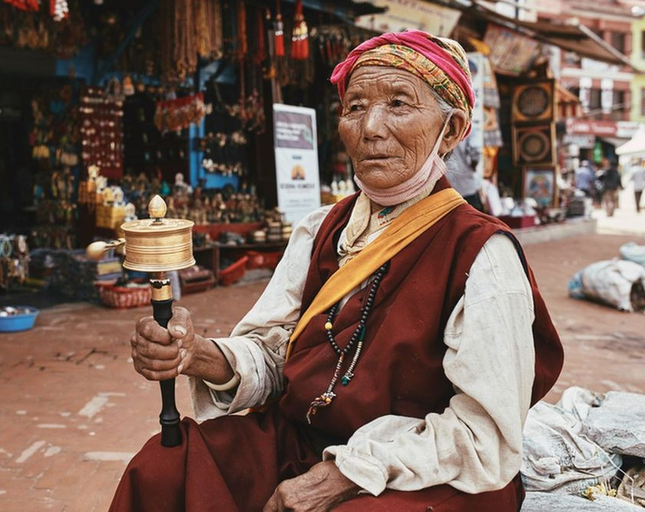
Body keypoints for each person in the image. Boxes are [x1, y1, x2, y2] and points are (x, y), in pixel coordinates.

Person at [110, 30, 563, 512]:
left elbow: (482, 436)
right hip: (308, 440)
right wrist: (199, 356)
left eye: (398, 104)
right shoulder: (323, 229)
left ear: (450, 131)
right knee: (162, 469)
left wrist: (348, 472)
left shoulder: (481, 253)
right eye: (354, 107)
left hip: (429, 469)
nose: (370, 127)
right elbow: (277, 359)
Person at [445, 134, 483, 211]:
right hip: (466, 184)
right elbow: (475, 152)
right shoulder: (469, 128)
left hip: (447, 186)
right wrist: (474, 165)